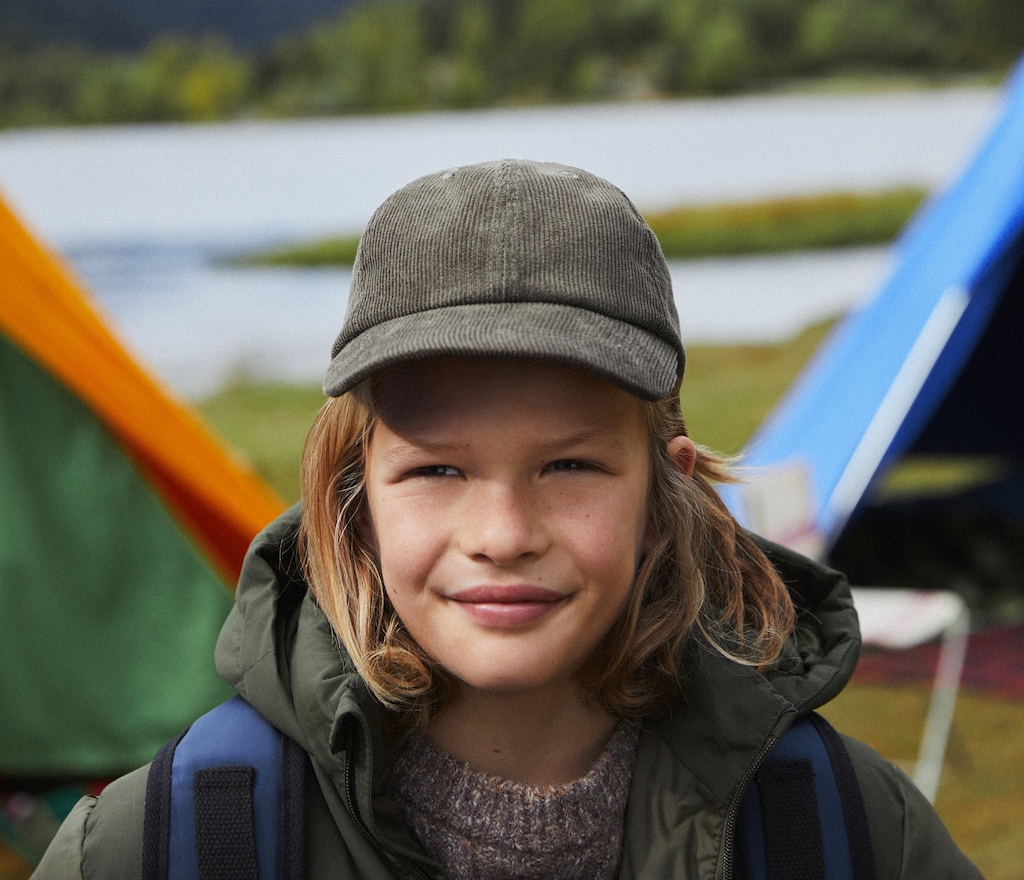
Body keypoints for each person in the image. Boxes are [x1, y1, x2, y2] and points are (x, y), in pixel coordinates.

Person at [37, 159, 979, 879]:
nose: (503, 531)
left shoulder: (842, 832)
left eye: (570, 465)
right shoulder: (173, 845)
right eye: (437, 468)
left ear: (669, 491)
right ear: (353, 501)